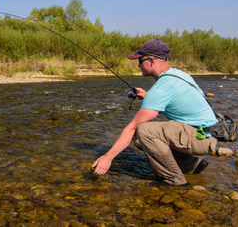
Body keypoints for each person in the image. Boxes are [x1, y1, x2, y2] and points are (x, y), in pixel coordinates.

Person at [92, 39, 218, 185]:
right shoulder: (178, 75)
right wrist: (147, 97)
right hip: (205, 133)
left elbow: (132, 128)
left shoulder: (161, 89)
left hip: (200, 138)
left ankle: (174, 181)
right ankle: (190, 165)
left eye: (140, 60)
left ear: (151, 61)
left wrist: (108, 157)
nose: (138, 65)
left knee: (144, 130)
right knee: (141, 140)